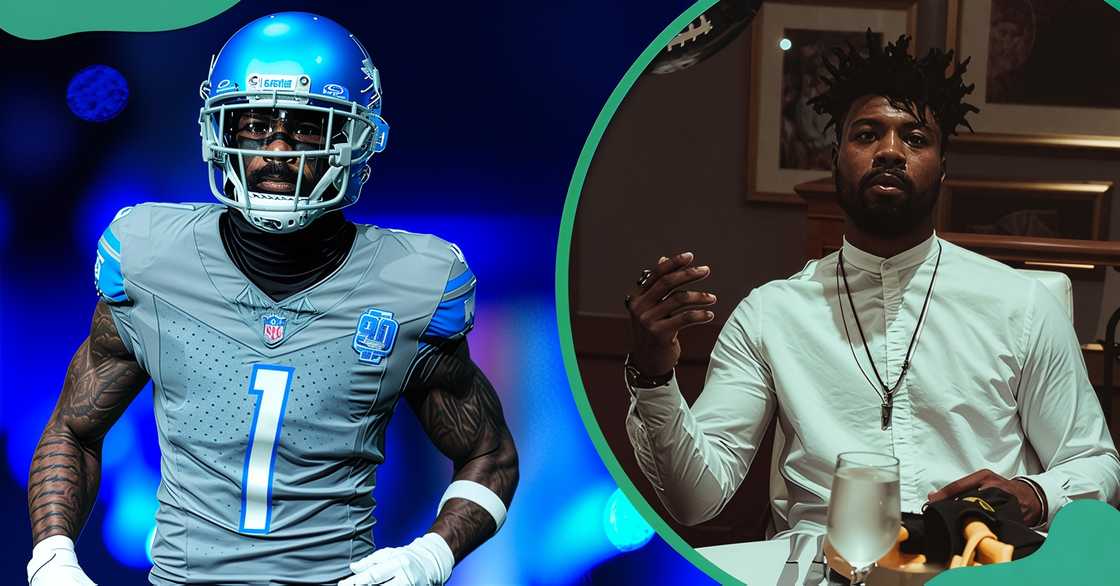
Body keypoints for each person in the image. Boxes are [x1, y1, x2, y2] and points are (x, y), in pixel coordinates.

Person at [26, 12, 518, 586]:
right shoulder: (150, 259)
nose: (277, 152)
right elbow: (73, 429)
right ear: (219, 131)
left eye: (307, 128)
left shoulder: (410, 283)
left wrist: (428, 555)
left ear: (358, 139)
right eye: (254, 126)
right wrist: (53, 557)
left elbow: (491, 456)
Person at [622, 31, 1119, 560]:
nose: (889, 151)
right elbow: (697, 499)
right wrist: (653, 375)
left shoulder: (1019, 304)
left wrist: (1035, 493)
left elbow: (1095, 462)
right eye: (866, 135)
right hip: (822, 563)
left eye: (915, 138)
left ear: (943, 166)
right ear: (835, 158)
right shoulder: (772, 313)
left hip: (975, 559)